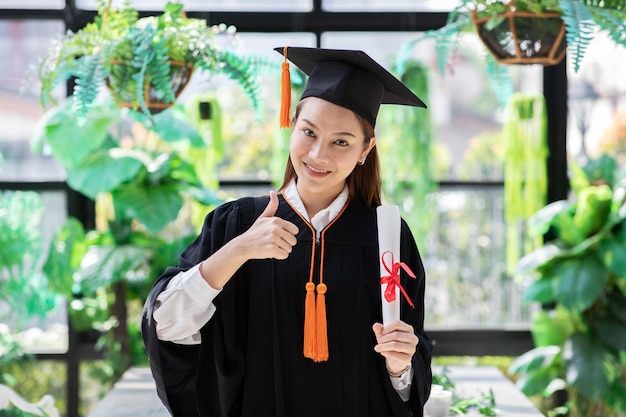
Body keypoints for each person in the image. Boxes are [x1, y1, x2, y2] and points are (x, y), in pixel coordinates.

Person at [142, 46, 433, 417]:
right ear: (292, 125)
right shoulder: (237, 223)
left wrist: (399, 365)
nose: (317, 154)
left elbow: (408, 371)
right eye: (308, 132)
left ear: (366, 149)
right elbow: (166, 327)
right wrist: (239, 250)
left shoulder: (386, 238)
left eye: (341, 141)